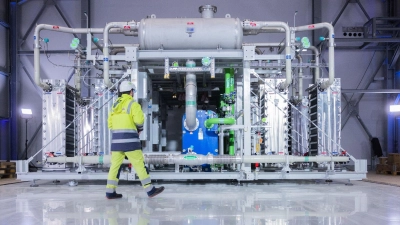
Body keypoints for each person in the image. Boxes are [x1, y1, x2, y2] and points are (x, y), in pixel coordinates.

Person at [106, 80, 164, 199]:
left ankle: (110, 192)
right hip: (130, 141)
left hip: (116, 142)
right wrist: (139, 129)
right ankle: (150, 190)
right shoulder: (132, 104)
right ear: (131, 92)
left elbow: (110, 125)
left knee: (114, 166)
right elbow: (139, 120)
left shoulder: (114, 106)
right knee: (139, 165)